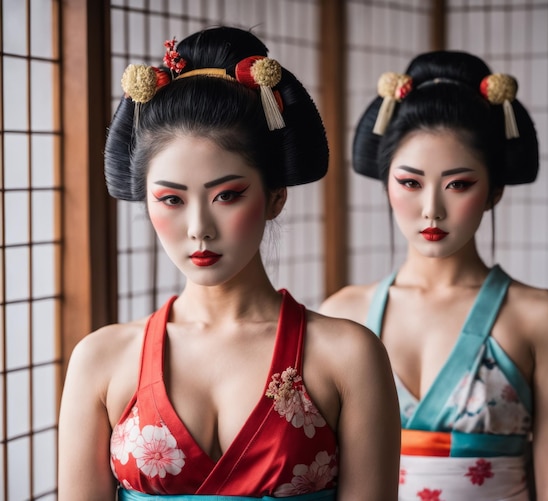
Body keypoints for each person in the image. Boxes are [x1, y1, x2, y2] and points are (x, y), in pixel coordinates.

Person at [58, 26, 400, 500]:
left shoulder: (347, 357)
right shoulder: (101, 360)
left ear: (275, 196)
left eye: (227, 195)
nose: (199, 226)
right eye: (172, 199)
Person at [320, 51, 548, 500]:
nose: (431, 209)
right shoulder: (343, 314)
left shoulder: (541, 318)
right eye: (410, 182)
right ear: (386, 182)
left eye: (458, 184)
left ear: (494, 191)